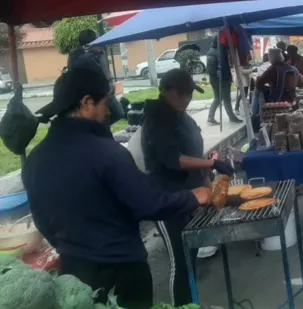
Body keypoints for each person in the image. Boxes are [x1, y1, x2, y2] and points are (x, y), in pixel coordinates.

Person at [22, 69, 212, 309]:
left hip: (73, 276)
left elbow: (42, 220)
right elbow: (148, 204)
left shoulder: (35, 159)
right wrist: (192, 197)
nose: (109, 111)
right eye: (105, 102)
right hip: (122, 273)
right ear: (86, 103)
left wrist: (71, 245)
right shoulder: (108, 154)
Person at [142, 68, 235, 306]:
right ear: (169, 91)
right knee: (180, 260)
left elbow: (192, 152)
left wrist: (208, 169)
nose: (188, 98)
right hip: (166, 199)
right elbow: (173, 160)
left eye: (191, 93)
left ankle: (190, 303)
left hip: (189, 195)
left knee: (190, 254)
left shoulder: (181, 115)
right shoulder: (157, 118)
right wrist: (211, 163)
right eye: (185, 93)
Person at [67, 29, 125, 125]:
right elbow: (103, 74)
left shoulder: (73, 55)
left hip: (84, 96)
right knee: (118, 113)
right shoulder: (94, 55)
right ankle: (100, 127)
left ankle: (98, 127)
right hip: (100, 93)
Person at [206, 37, 242, 125]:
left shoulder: (212, 51)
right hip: (221, 79)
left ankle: (211, 117)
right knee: (225, 98)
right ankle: (231, 117)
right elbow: (222, 67)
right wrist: (227, 78)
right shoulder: (219, 52)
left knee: (219, 98)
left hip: (215, 78)